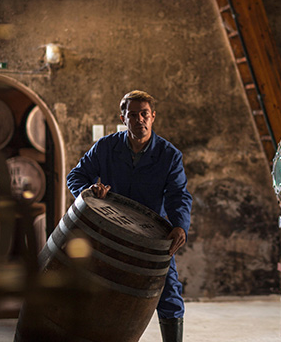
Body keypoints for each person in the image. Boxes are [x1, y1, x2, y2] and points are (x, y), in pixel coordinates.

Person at [66, 90, 192, 342]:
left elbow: (178, 195)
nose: (139, 120)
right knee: (98, 288)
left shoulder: (169, 155)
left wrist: (180, 226)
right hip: (110, 230)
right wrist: (88, 191)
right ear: (123, 118)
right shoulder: (106, 147)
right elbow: (76, 176)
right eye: (132, 115)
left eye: (144, 114)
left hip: (152, 236)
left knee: (168, 292)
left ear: (153, 116)